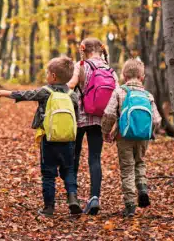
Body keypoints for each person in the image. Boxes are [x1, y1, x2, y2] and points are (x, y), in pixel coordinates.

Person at [0, 57, 81, 217]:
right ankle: (73, 198)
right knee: (69, 170)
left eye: (47, 73)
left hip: (48, 139)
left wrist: (2, 93)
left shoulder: (46, 92)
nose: (46, 76)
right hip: (68, 140)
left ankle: (49, 208)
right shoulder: (73, 95)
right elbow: (76, 118)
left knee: (48, 173)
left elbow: (25, 95)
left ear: (53, 76)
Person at [101, 57, 162, 217]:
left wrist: (105, 132)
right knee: (140, 162)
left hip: (124, 136)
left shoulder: (119, 92)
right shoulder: (147, 95)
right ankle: (142, 188)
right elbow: (157, 120)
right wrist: (149, 132)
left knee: (127, 168)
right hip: (142, 138)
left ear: (124, 76)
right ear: (142, 77)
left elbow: (109, 114)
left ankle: (130, 205)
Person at [66, 37, 117, 215]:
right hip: (99, 119)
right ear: (100, 49)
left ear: (83, 49)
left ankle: (72, 196)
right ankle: (94, 197)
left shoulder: (80, 66)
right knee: (95, 158)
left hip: (79, 117)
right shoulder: (109, 69)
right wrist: (112, 125)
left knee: (74, 156)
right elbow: (116, 97)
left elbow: (71, 86)